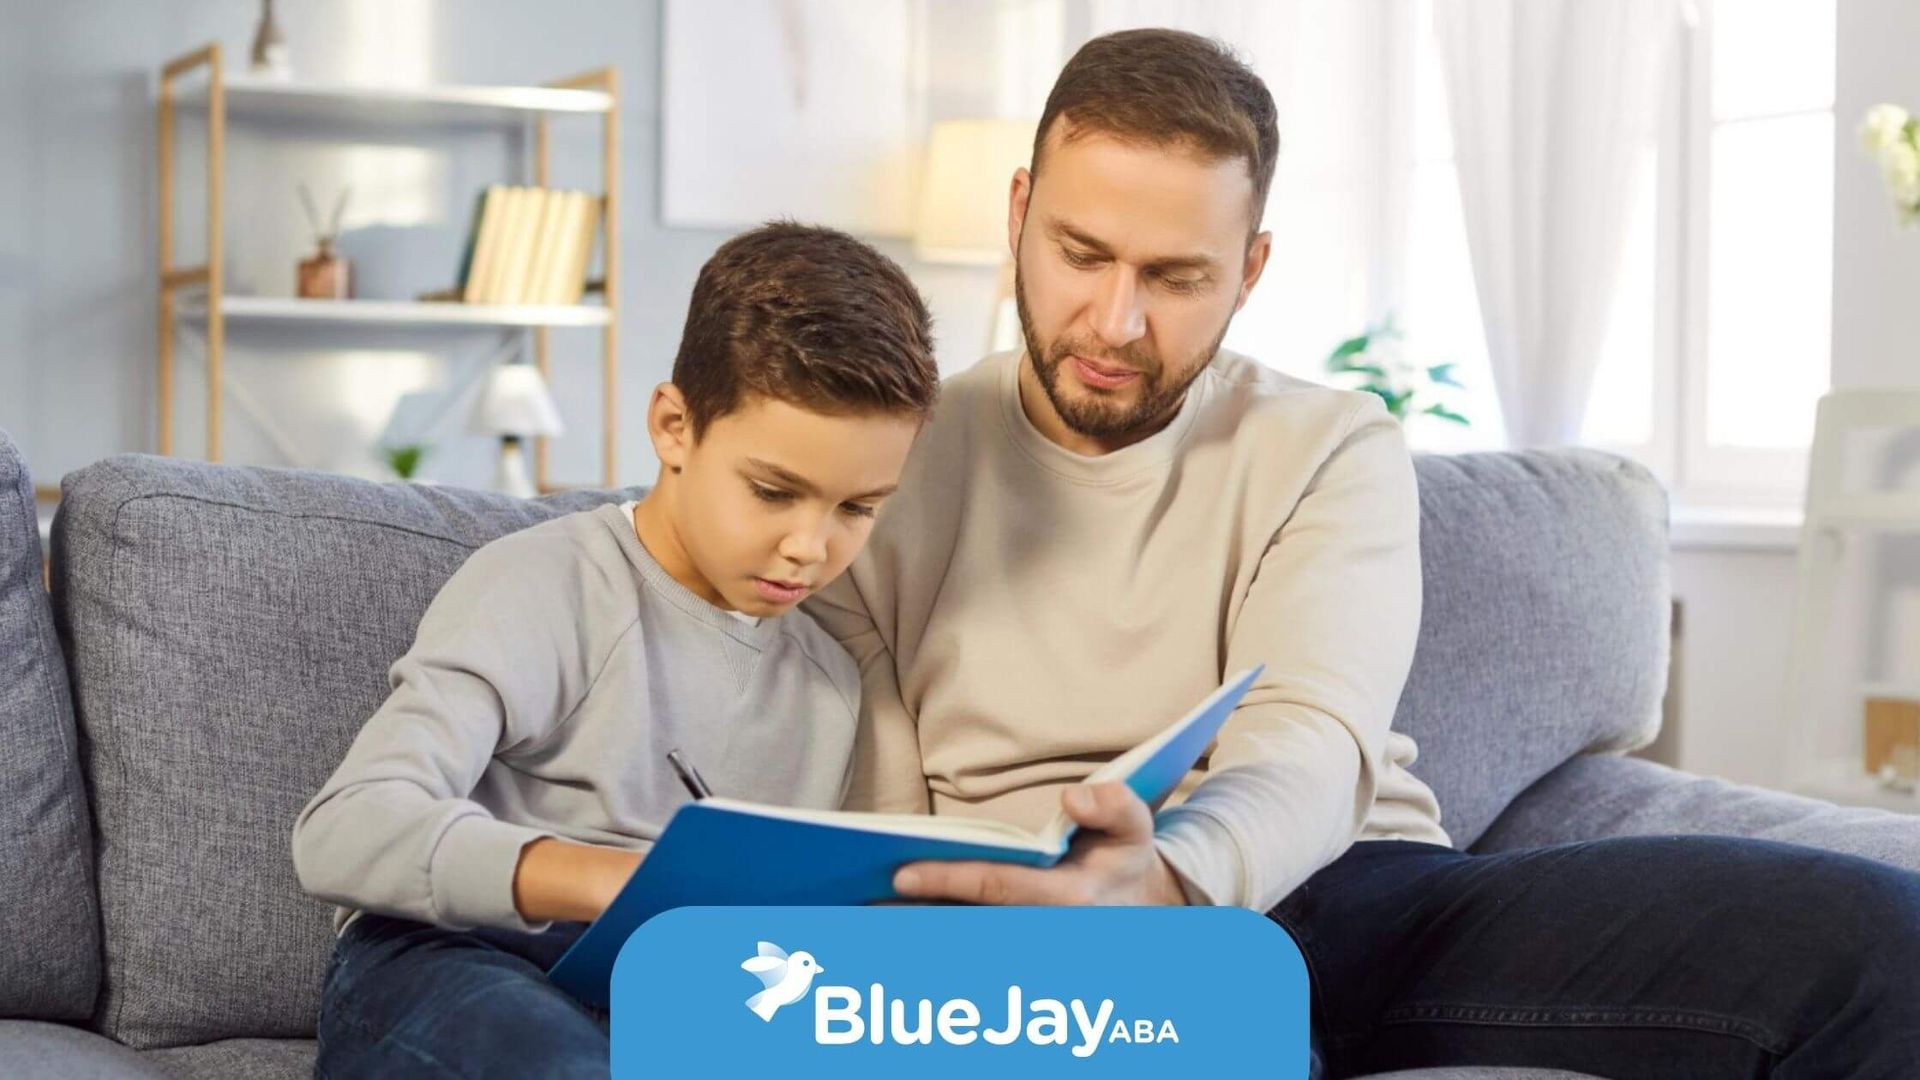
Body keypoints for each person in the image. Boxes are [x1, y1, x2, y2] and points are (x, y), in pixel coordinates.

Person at [803, 28, 1920, 1077]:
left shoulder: (1329, 444)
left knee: (1881, 939)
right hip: (1048, 933)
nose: (1115, 321)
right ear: (1019, 214)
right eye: (1081, 254)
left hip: (1359, 900)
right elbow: (868, 794)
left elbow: (1314, 733)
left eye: (1177, 277)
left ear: (1250, 269)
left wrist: (1172, 878)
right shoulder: (880, 460)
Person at [291, 222, 940, 1078]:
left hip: (662, 988)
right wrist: (609, 879)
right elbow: (343, 830)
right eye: (772, 491)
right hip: (461, 955)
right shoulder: (547, 582)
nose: (809, 549)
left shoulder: (829, 683)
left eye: (857, 509)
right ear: (674, 427)